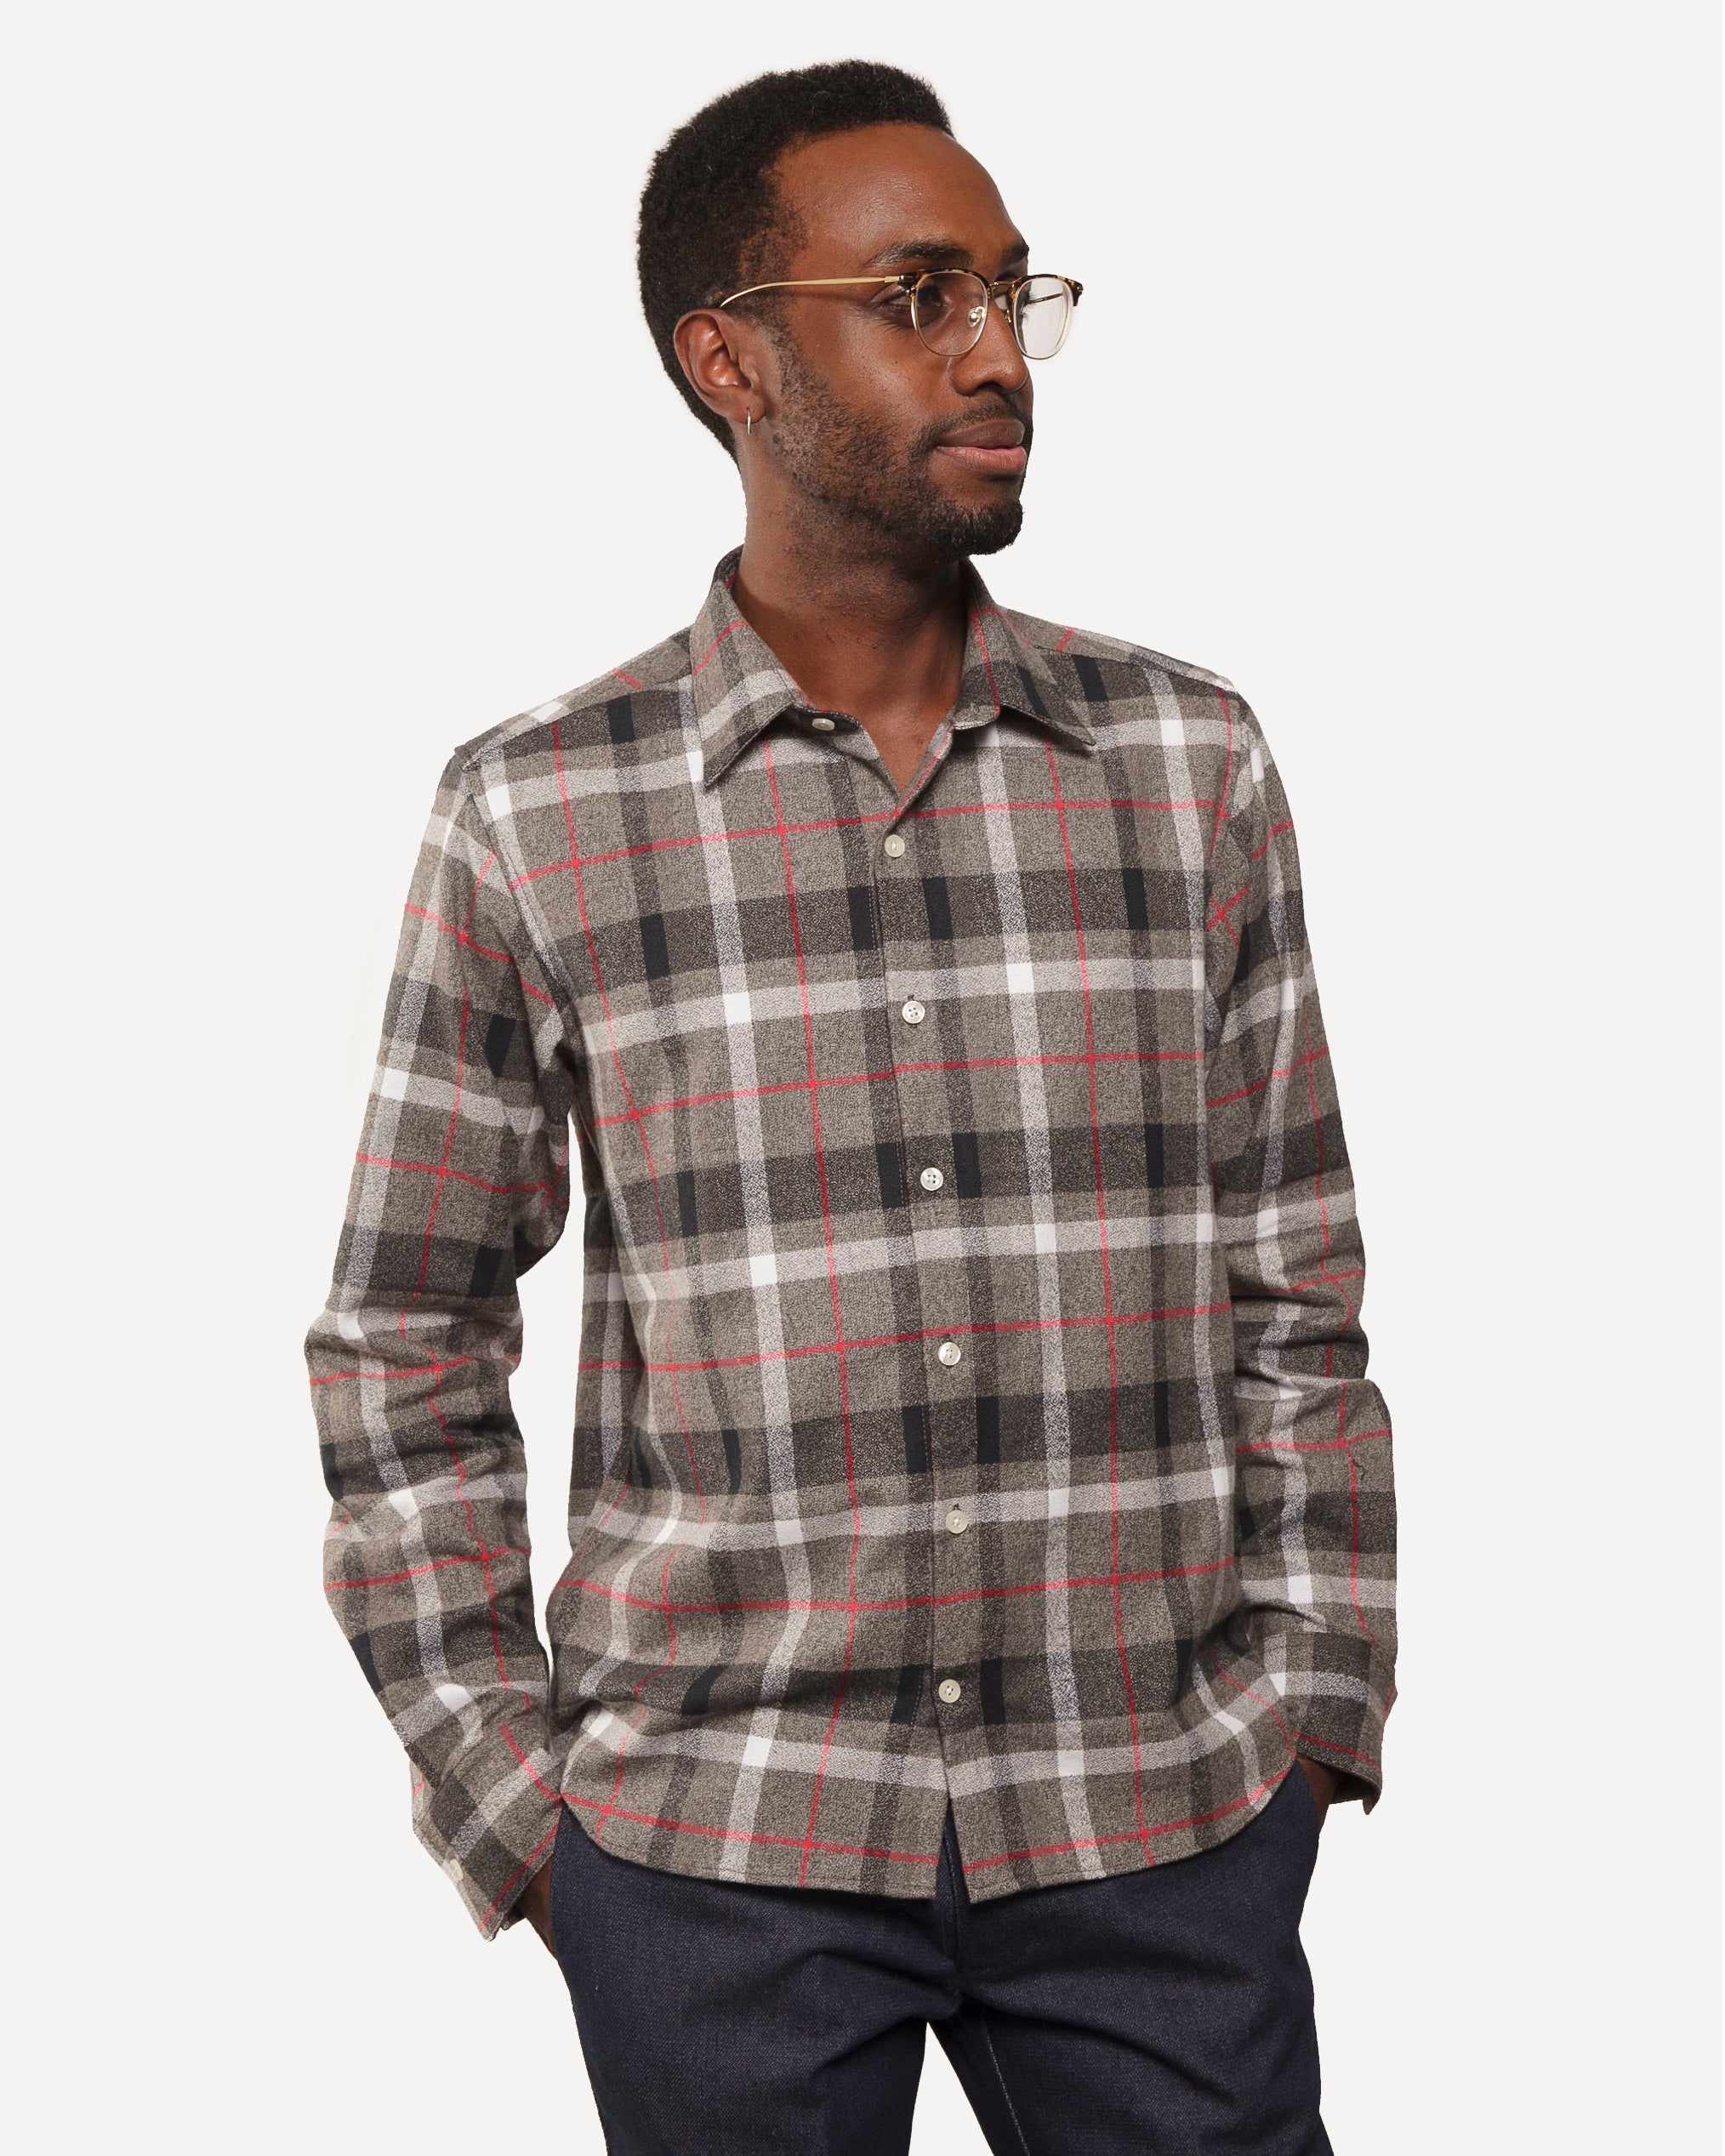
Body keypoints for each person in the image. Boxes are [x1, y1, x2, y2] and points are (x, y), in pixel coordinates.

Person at [307, 58, 1396, 2156]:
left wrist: (1313, 1708)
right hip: (715, 1845)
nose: (997, 351)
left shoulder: (1190, 765)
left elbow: (1297, 1279)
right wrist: (522, 1807)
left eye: (1009, 289)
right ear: (728, 359)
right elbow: (404, 1330)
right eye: (918, 296)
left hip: (1156, 1816)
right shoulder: (538, 812)